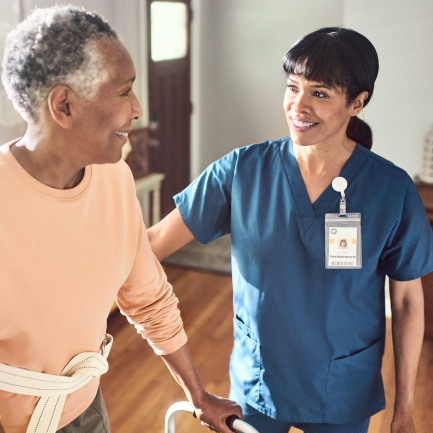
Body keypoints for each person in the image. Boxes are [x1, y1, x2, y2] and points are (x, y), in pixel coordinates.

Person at [147, 27, 433, 433]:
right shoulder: (241, 171)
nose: (298, 105)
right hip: (259, 382)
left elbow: (406, 301)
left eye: (320, 93)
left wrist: (404, 411)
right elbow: (155, 242)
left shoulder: (392, 189)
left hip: (343, 387)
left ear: (357, 102)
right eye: (293, 87)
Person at [0, 6, 241, 433]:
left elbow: (147, 297)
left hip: (86, 409)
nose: (138, 107)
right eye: (124, 91)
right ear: (64, 105)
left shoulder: (114, 178)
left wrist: (198, 395)